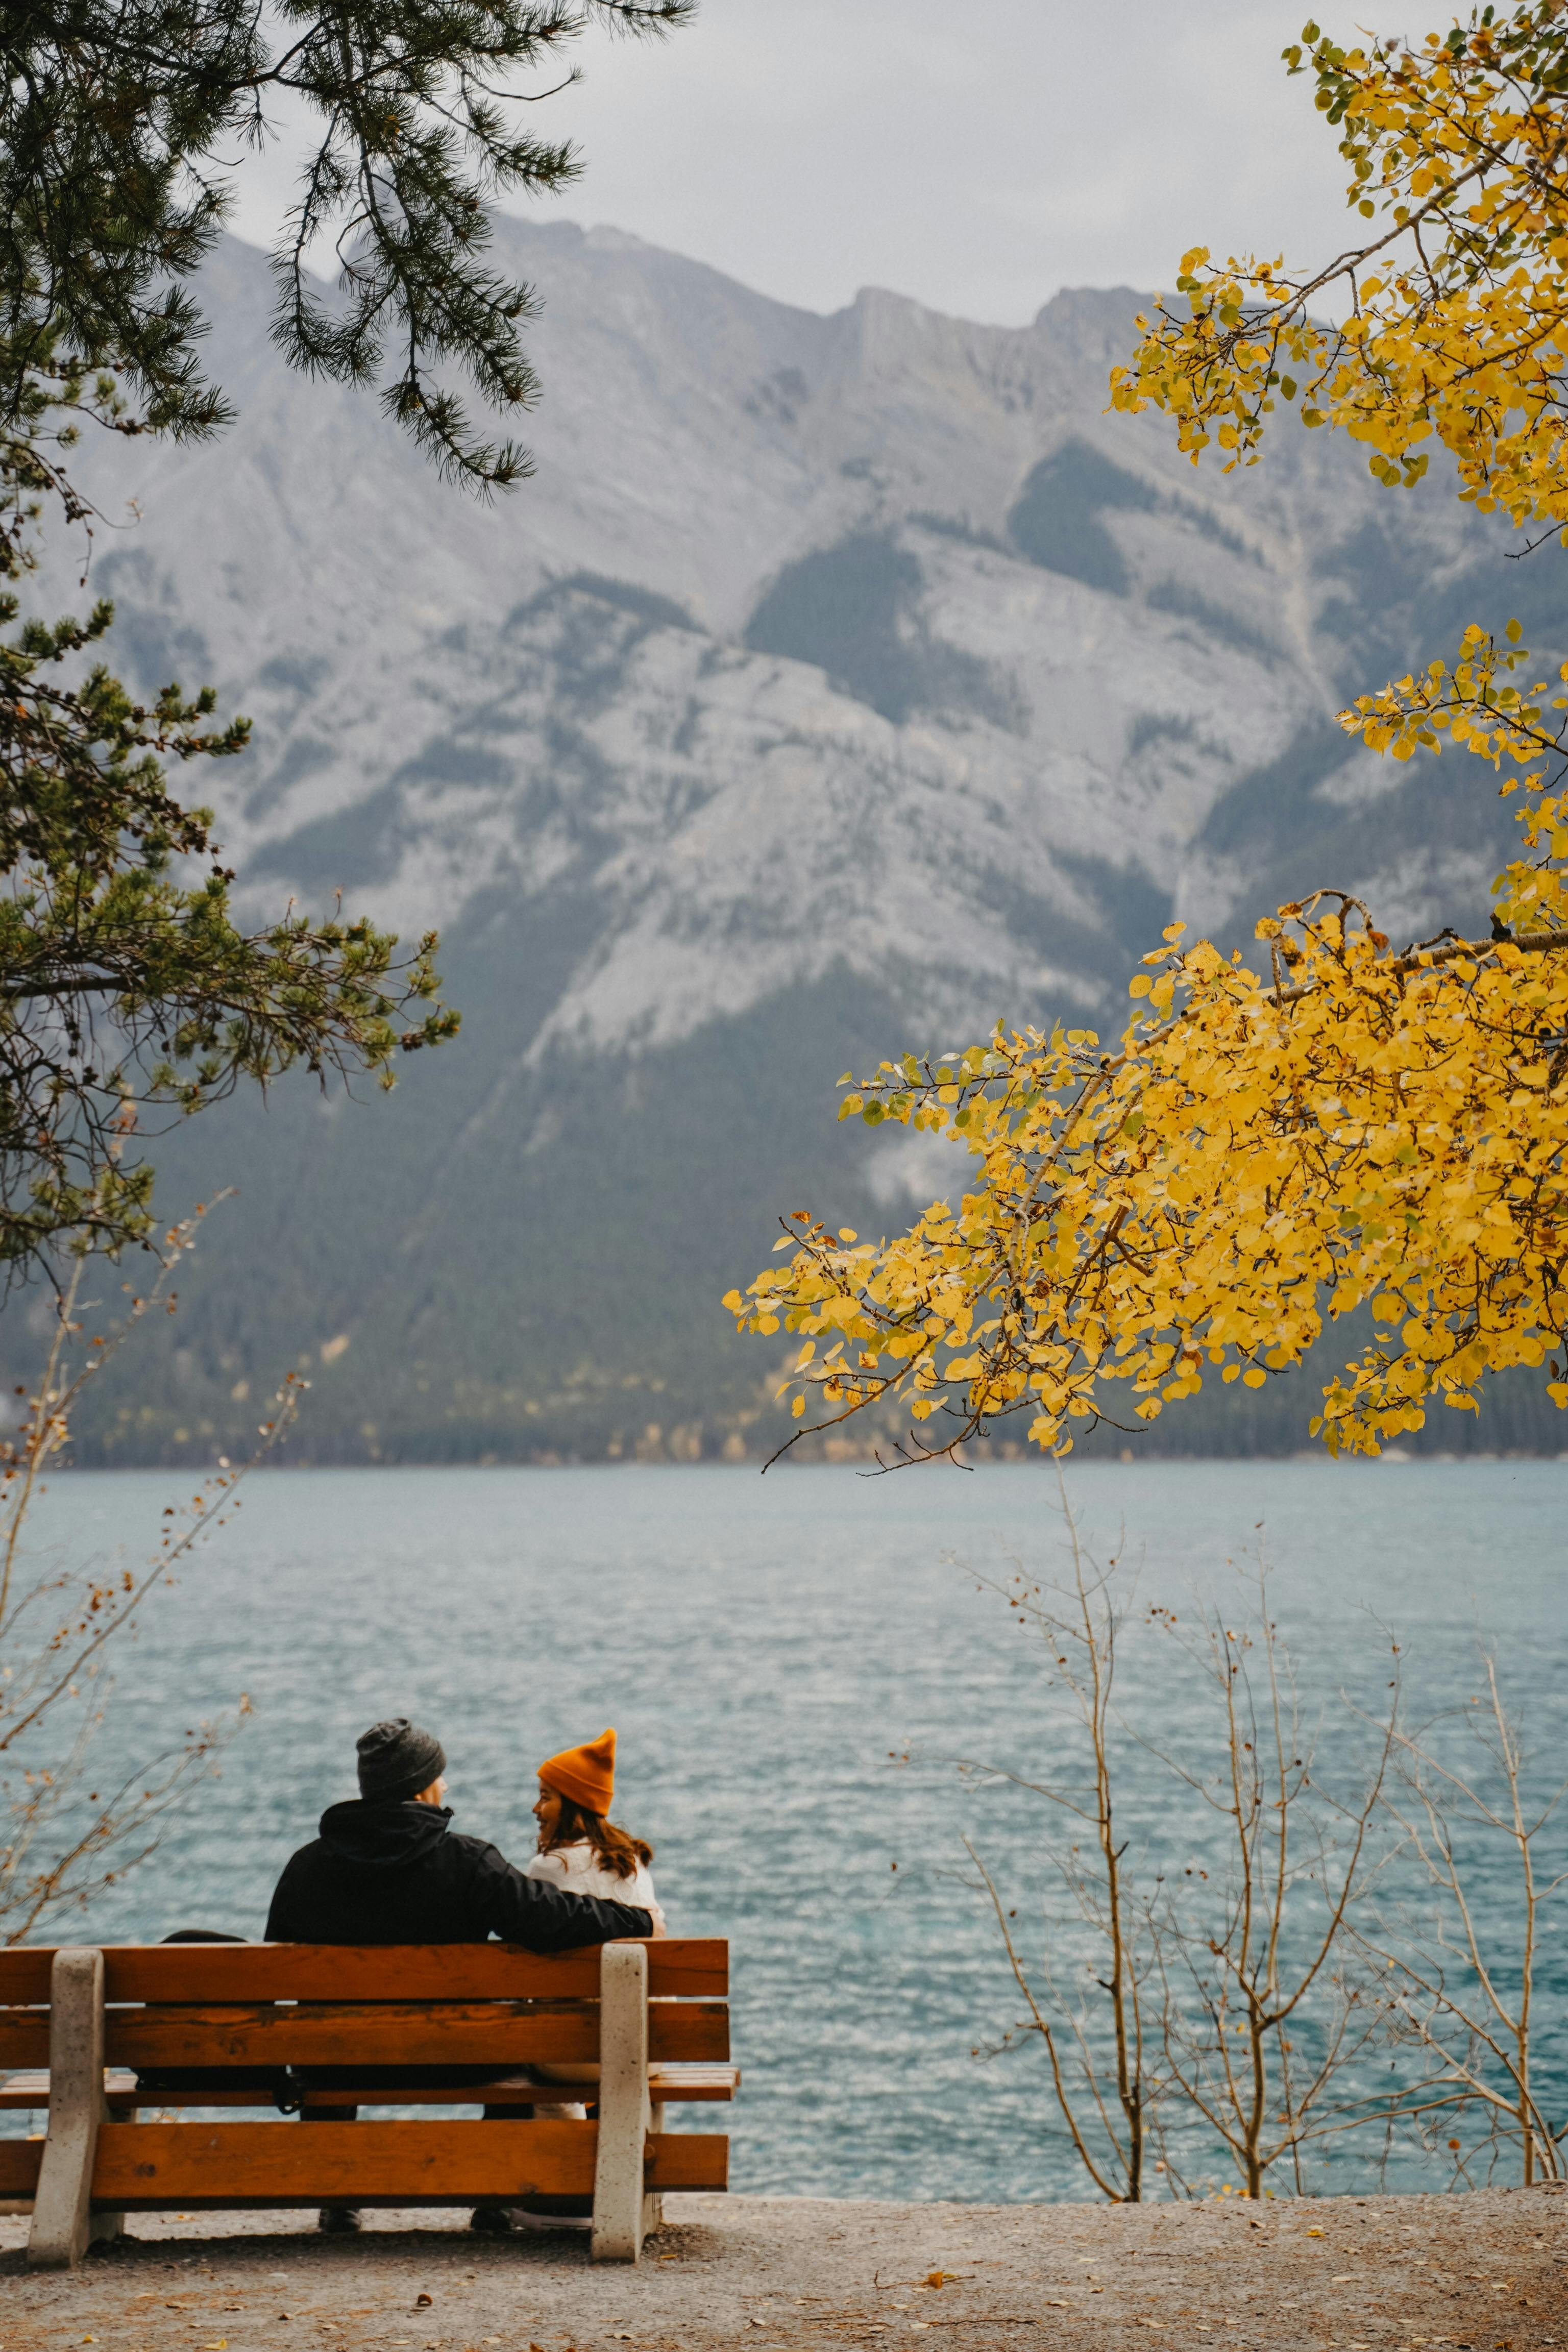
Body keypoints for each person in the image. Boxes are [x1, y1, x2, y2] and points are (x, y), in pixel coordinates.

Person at [265, 1717, 654, 2236]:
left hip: (338, 2063)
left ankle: (339, 2193)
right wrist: (638, 1920)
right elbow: (551, 1918)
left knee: (330, 2029)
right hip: (460, 2058)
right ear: (423, 1786)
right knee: (512, 2036)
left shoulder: (307, 1868)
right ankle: (494, 2195)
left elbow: (276, 1968)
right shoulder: (469, 1862)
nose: (445, 1787)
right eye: (440, 1778)